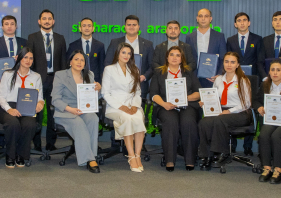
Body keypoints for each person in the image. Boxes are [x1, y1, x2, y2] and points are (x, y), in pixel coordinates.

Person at [197, 52, 253, 173]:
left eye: (232, 62)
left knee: (219, 120)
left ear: (237, 65)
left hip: (241, 113)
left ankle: (220, 153)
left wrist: (229, 111)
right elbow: (213, 97)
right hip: (221, 111)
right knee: (204, 122)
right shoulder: (218, 80)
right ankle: (206, 156)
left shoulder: (243, 80)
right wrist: (205, 102)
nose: (229, 65)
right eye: (226, 61)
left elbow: (247, 103)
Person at [149, 45, 201, 171]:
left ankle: (190, 159)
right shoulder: (159, 73)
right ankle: (170, 160)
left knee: (188, 121)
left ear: (182, 59)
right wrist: (164, 104)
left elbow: (198, 93)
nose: (174, 57)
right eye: (171, 54)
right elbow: (153, 94)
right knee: (171, 122)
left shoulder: (189, 73)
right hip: (166, 107)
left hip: (187, 105)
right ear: (167, 57)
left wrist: (185, 98)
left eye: (178, 55)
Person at [52, 50, 103, 172]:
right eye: (76, 59)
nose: (79, 62)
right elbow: (55, 99)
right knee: (78, 122)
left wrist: (98, 90)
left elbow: (94, 98)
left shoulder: (89, 75)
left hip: (83, 110)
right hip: (65, 111)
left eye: (82, 60)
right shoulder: (61, 75)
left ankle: (90, 155)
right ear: (70, 62)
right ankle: (90, 159)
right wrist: (70, 109)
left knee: (93, 118)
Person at [102, 43, 146, 172]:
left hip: (132, 105)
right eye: (123, 52)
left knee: (138, 118)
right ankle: (131, 156)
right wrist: (121, 106)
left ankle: (138, 155)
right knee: (127, 118)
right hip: (114, 107)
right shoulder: (109, 69)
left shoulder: (135, 69)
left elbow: (137, 92)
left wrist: (135, 106)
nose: (126, 55)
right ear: (118, 54)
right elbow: (105, 93)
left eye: (129, 53)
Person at [0, 49, 45, 167]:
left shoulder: (36, 76)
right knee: (13, 123)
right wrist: (9, 109)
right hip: (8, 107)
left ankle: (21, 155)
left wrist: (40, 104)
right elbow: (0, 97)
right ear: (19, 58)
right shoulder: (7, 74)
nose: (28, 60)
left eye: (31, 58)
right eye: (25, 57)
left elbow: (40, 97)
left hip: (27, 106)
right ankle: (10, 155)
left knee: (30, 124)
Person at [27, 9, 67, 152]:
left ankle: (51, 143)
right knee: (36, 112)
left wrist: (63, 81)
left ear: (53, 21)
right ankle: (36, 143)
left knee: (53, 113)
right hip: (37, 80)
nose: (47, 21)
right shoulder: (32, 37)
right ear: (39, 21)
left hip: (55, 80)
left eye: (49, 18)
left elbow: (63, 61)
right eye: (44, 18)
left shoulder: (60, 38)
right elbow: (29, 60)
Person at [227, 12, 263, 156]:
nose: (242, 23)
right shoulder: (230, 40)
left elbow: (260, 60)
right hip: (235, 80)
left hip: (252, 80)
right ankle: (233, 145)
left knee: (250, 109)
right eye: (239, 20)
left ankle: (248, 146)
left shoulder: (257, 39)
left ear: (249, 23)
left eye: (244, 20)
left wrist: (260, 79)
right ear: (235, 24)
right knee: (234, 107)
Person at [106, 15, 154, 95]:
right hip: (118, 87)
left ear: (138, 27)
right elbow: (108, 62)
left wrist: (144, 76)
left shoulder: (148, 44)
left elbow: (152, 66)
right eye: (129, 25)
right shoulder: (115, 43)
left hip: (140, 86)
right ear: (125, 27)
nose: (131, 27)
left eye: (134, 25)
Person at [185, 8, 226, 88]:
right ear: (197, 18)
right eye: (200, 16)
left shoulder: (219, 36)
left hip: (213, 78)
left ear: (210, 19)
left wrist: (219, 75)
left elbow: (223, 58)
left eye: (206, 16)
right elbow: (187, 58)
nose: (203, 19)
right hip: (194, 78)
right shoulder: (190, 37)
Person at [67, 17, 106, 84]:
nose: (87, 28)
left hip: (95, 81)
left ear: (93, 28)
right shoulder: (73, 46)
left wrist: (100, 82)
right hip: (77, 80)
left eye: (89, 26)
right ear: (80, 28)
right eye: (84, 26)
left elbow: (102, 66)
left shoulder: (100, 45)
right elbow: (68, 64)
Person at [0, 14, 25, 87]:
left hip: (20, 80)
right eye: (6, 24)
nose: (9, 26)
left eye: (12, 24)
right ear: (2, 27)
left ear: (16, 26)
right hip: (1, 81)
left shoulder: (24, 42)